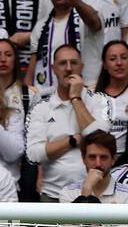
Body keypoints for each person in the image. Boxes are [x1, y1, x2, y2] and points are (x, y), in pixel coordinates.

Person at [25, 43, 110, 202]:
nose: (69, 68)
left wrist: (76, 98)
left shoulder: (100, 100)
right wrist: (72, 141)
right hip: (52, 195)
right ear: (53, 68)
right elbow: (33, 154)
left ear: (82, 67)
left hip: (94, 194)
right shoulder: (41, 106)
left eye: (74, 63)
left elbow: (99, 140)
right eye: (63, 63)